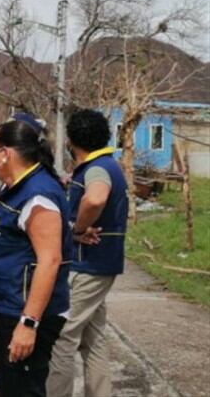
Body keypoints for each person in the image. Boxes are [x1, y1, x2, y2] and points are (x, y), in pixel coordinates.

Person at [0, 113, 73, 397]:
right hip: (10, 306)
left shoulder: (37, 195)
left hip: (28, 313)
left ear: (5, 154)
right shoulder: (14, 187)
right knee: (12, 389)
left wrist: (29, 323)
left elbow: (51, 260)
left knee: (24, 391)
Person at [47, 109, 128, 397]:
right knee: (93, 338)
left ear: (71, 140)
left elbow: (95, 198)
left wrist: (76, 228)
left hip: (88, 265)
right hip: (102, 264)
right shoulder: (106, 164)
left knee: (62, 337)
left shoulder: (96, 168)